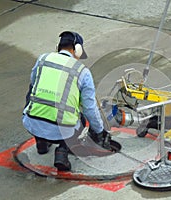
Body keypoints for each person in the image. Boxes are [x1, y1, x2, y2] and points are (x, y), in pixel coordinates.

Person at [22, 31, 111, 171]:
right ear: (78, 49)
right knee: (81, 118)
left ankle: (41, 143)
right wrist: (99, 130)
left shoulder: (43, 59)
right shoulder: (83, 72)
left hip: (31, 123)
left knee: (32, 92)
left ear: (58, 46)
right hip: (63, 130)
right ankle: (62, 152)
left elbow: (34, 83)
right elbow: (89, 108)